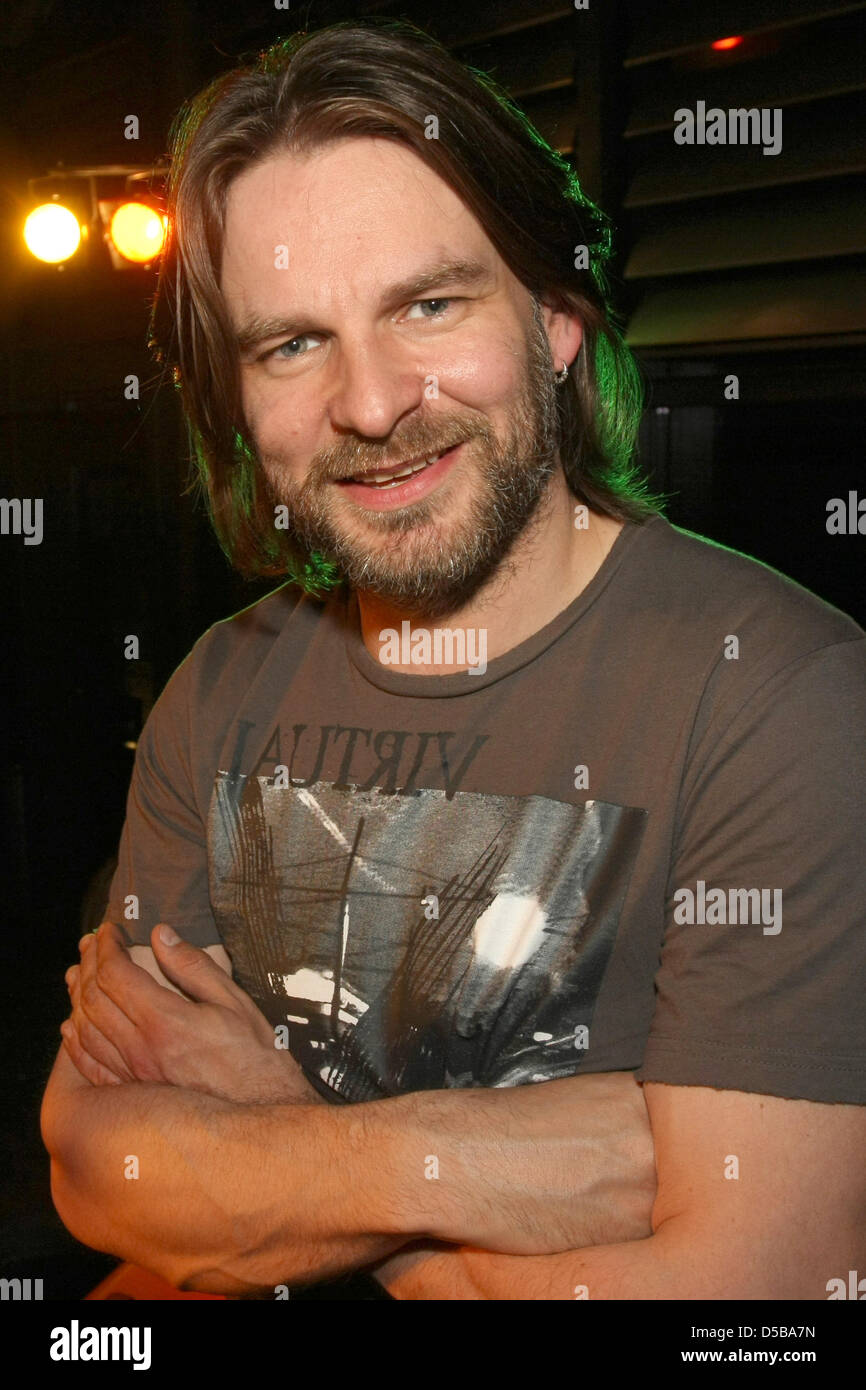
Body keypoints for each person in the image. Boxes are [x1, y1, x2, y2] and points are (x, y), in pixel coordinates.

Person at [42, 18, 866, 1300]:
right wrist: (470, 1161)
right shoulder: (219, 684)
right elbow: (101, 1173)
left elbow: (751, 1288)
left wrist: (284, 1144)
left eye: (428, 304)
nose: (370, 405)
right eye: (292, 343)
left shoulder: (779, 694)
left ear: (552, 320)